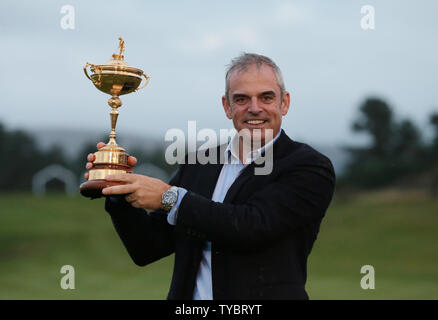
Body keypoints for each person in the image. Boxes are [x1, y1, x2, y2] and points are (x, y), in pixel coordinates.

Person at [84, 53, 336, 300]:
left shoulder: (310, 167)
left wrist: (170, 198)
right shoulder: (199, 164)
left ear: (285, 103)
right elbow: (147, 247)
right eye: (241, 99)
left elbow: (252, 226)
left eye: (266, 97)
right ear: (227, 106)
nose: (255, 108)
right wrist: (118, 188)